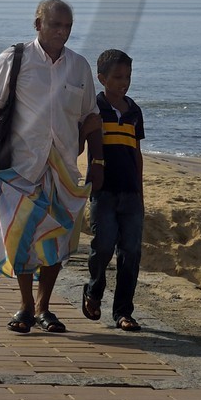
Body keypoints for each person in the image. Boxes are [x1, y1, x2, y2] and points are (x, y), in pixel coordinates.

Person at [0, 0, 104, 335]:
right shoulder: (14, 59)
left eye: (68, 26)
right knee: (20, 237)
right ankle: (25, 306)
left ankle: (43, 306)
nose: (62, 32)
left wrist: (97, 161)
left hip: (63, 168)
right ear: (38, 25)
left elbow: (92, 117)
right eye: (55, 25)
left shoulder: (79, 67)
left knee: (56, 240)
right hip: (21, 165)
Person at [83, 49, 145, 332]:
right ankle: (94, 290)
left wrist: (140, 192)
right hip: (103, 191)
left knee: (131, 253)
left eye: (128, 77)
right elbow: (80, 143)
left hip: (131, 194)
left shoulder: (134, 111)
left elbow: (137, 153)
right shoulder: (94, 108)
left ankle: (123, 311)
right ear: (102, 78)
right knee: (103, 246)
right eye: (118, 77)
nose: (124, 83)